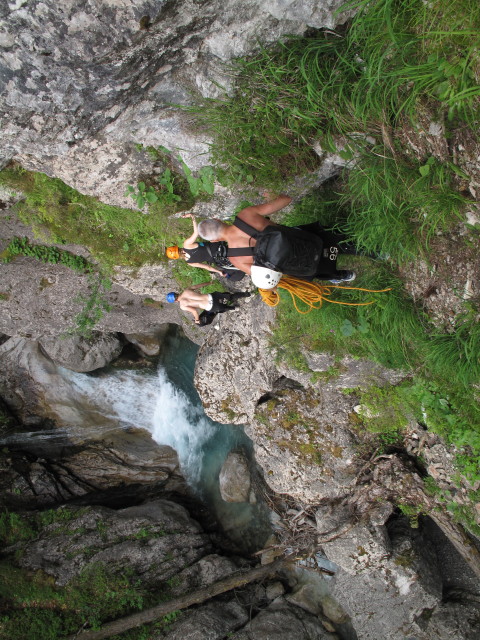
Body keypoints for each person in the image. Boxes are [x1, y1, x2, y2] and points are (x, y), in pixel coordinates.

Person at [196, 194, 357, 285]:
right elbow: (286, 200)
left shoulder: (235, 259)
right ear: (217, 220)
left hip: (303, 265)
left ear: (215, 241)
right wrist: (272, 196)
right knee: (336, 241)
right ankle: (365, 248)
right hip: (308, 239)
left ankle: (342, 275)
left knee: (318, 270)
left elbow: (267, 275)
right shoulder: (245, 215)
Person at [165, 213, 245, 281]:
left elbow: (207, 267)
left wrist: (218, 272)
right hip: (216, 247)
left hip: (218, 259)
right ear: (176, 248)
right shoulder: (186, 245)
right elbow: (196, 233)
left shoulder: (190, 263)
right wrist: (192, 217)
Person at [165, 282, 250, 325]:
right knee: (230, 296)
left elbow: (194, 312)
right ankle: (247, 294)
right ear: (176, 293)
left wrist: (197, 320)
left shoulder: (182, 306)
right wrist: (209, 283)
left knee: (220, 309)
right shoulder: (186, 290)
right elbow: (199, 285)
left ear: (175, 301)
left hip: (210, 306)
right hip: (212, 297)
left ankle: (234, 308)